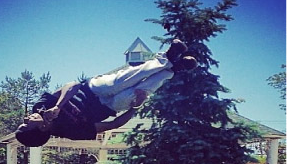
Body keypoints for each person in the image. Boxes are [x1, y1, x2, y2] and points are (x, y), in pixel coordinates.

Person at [15, 39, 197, 147]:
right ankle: (173, 69)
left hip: (93, 89)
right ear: (42, 128)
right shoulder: (71, 132)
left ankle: (168, 58)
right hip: (110, 106)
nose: (25, 119)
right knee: (138, 92)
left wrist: (57, 106)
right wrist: (136, 106)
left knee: (122, 80)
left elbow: (73, 85)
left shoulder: (41, 106)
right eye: (25, 125)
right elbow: (113, 124)